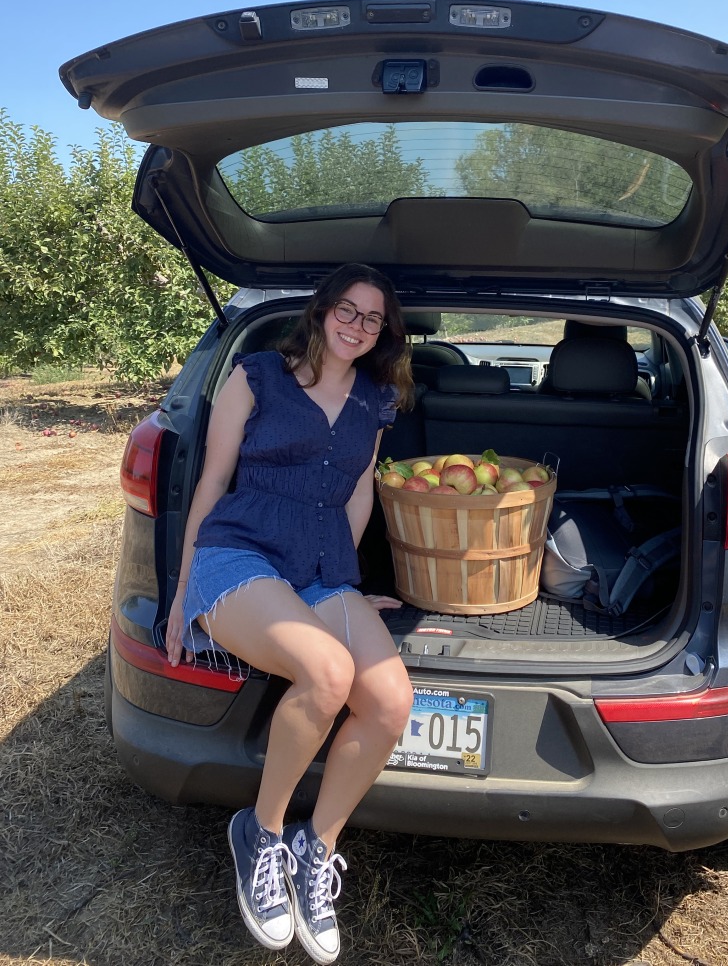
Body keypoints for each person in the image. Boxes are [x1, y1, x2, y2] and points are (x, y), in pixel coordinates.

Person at [165, 263, 415, 963]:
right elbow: (211, 483)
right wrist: (186, 593)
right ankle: (263, 833)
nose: (357, 326)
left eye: (373, 319)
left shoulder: (375, 402)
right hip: (238, 556)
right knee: (329, 674)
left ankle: (317, 850)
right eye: (348, 309)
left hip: (319, 571)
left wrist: (346, 578)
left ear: (384, 333)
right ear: (322, 310)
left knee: (392, 702)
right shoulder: (257, 377)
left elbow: (358, 495)